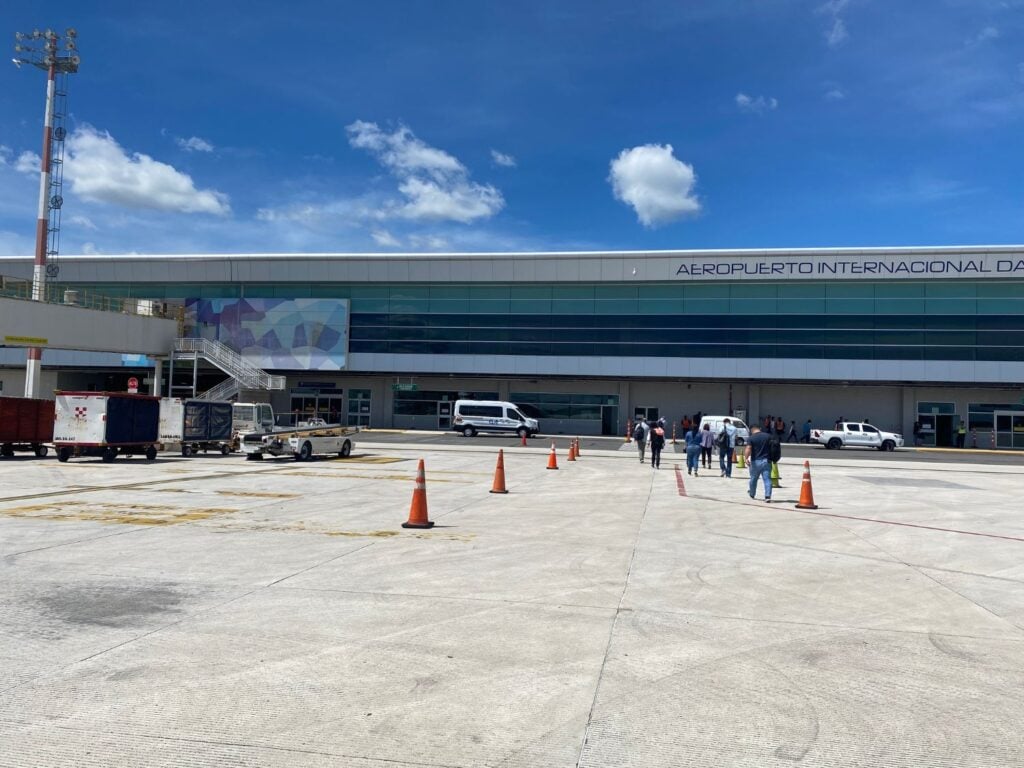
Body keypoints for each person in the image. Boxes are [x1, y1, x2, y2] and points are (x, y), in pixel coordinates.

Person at [744, 424, 774, 502]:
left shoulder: (751, 438)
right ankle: (767, 496)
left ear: (751, 430)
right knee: (767, 479)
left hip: (755, 462)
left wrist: (746, 458)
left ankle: (752, 493)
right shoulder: (768, 436)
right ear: (759, 428)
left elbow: (748, 448)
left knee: (753, 479)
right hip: (766, 461)